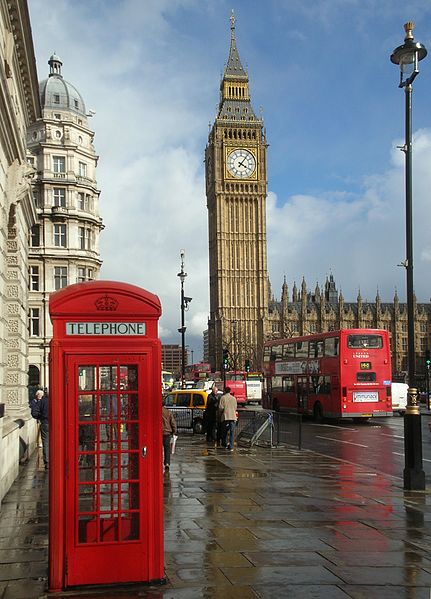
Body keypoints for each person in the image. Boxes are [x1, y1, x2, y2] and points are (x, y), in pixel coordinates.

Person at [30, 389, 49, 469]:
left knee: (45, 443)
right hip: (58, 424)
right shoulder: (61, 400)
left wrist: (40, 417)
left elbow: (34, 413)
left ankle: (47, 462)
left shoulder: (42, 401)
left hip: (45, 423)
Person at [218, 387, 237, 451]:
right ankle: (231, 446)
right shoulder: (234, 398)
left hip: (225, 417)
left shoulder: (223, 398)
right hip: (233, 417)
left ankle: (225, 444)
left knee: (224, 432)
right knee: (232, 432)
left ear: (224, 391)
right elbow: (235, 407)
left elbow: (221, 408)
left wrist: (219, 414)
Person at [162, 399, 177, 472]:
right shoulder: (168, 412)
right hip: (167, 433)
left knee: (158, 449)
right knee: (167, 448)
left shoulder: (155, 412)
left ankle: (158, 462)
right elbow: (173, 423)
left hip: (158, 433)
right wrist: (174, 431)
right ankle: (167, 463)